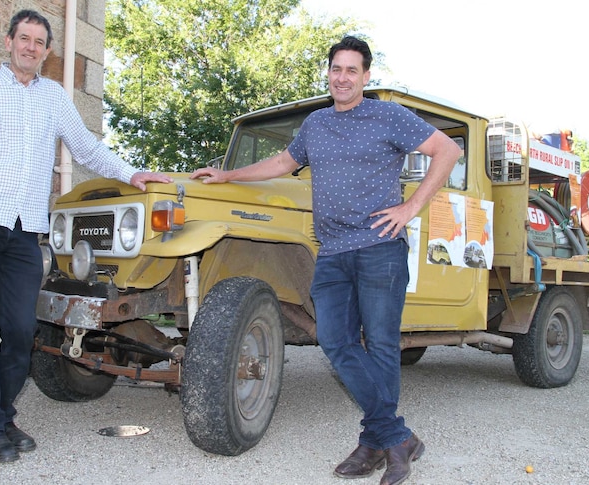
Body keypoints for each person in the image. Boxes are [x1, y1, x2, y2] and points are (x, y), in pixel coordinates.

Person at [190, 36, 460, 485]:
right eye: (336, 69)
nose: (343, 77)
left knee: (381, 345)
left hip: (378, 248)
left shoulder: (387, 115)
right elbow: (281, 162)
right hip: (331, 252)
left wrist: (411, 208)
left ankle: (379, 443)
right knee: (335, 341)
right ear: (329, 72)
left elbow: (448, 150)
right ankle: (396, 437)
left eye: (352, 70)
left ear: (366, 76)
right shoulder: (316, 123)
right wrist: (229, 174)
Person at [0, 9, 172, 464]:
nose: (31, 48)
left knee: (22, 329)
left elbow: (85, 147)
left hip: (26, 232)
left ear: (46, 51)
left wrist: (132, 173)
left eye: (40, 42)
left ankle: (4, 414)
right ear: (8, 42)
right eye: (24, 39)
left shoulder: (54, 97)